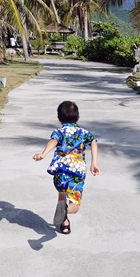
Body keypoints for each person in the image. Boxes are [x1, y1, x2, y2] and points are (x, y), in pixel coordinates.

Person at [33, 100, 100, 235]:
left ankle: (64, 221)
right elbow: (93, 143)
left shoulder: (59, 132)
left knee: (62, 194)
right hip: (77, 173)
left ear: (59, 119)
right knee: (74, 205)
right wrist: (94, 163)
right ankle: (65, 212)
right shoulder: (83, 132)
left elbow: (53, 141)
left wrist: (43, 154)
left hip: (61, 172)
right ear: (78, 117)